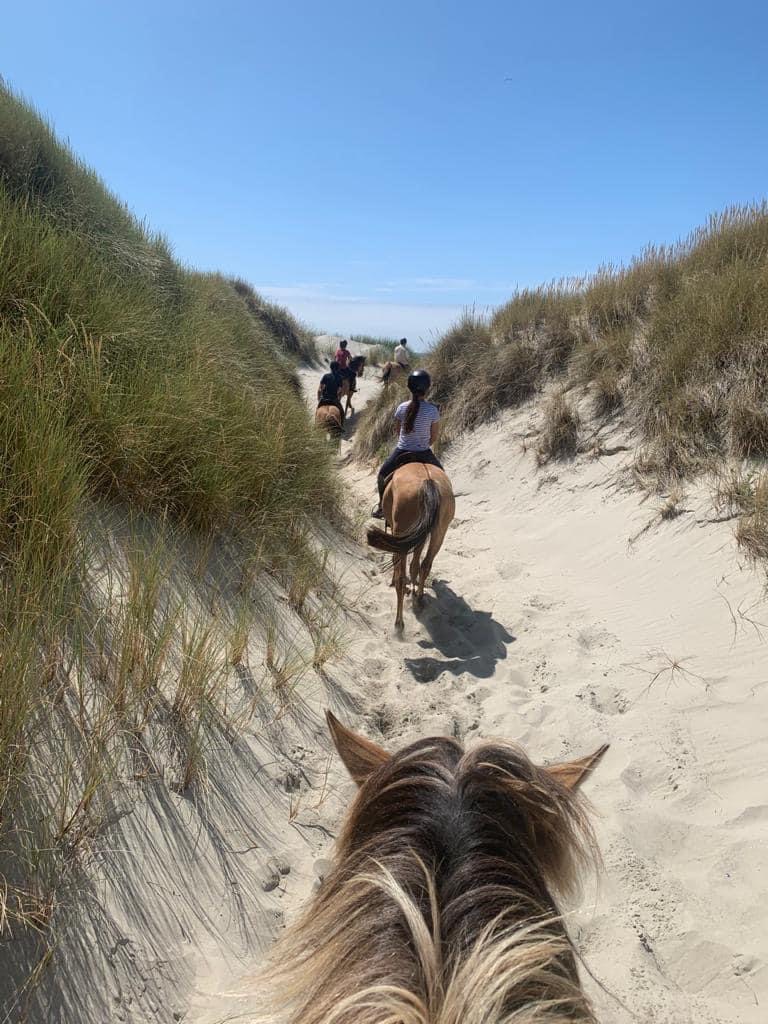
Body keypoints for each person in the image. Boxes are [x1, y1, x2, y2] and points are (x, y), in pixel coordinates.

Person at [371, 369, 443, 518]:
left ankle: (381, 508)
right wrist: (423, 443)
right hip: (424, 452)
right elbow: (433, 437)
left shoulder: (402, 407)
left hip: (402, 451)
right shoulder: (432, 410)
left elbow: (398, 431)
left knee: (382, 474)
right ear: (427, 388)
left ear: (409, 387)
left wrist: (408, 441)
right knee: (442, 476)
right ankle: (442, 511)